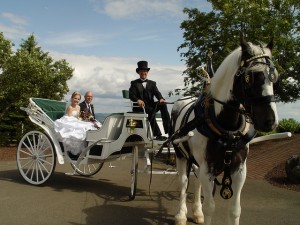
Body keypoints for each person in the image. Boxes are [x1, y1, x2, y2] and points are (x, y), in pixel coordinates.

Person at [129, 60, 170, 140]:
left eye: (145, 71)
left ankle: (169, 130)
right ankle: (158, 135)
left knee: (163, 104)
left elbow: (157, 92)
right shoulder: (134, 83)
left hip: (151, 105)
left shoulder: (152, 83)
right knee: (150, 111)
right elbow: (131, 95)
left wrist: (161, 99)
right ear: (138, 73)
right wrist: (138, 100)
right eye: (141, 71)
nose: (143, 73)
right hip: (140, 106)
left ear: (147, 72)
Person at [54, 91, 100, 160]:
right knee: (78, 131)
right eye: (75, 98)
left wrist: (80, 118)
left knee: (89, 126)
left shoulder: (78, 107)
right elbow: (69, 119)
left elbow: (78, 116)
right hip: (68, 122)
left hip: (76, 120)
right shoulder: (69, 108)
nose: (77, 100)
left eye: (78, 99)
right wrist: (78, 121)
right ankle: (75, 152)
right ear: (72, 98)